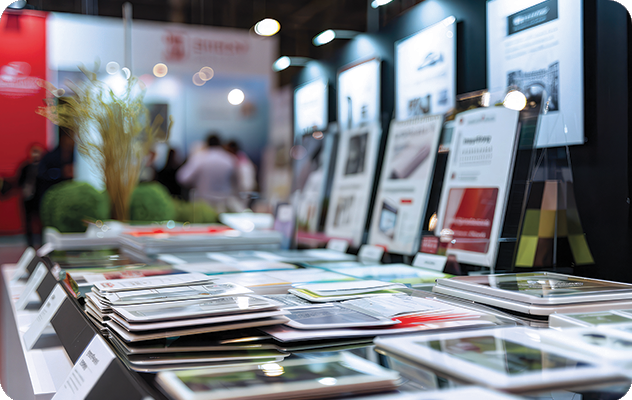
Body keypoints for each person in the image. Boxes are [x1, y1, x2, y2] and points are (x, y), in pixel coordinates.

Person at [176, 134, 239, 213]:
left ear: (207, 143)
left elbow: (183, 178)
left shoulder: (200, 157)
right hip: (224, 206)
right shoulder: (230, 159)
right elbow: (237, 183)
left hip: (202, 205)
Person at [18, 145, 44, 246]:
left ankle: (42, 242)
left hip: (39, 198)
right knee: (27, 221)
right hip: (27, 198)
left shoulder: (43, 166)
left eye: (37, 152)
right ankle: (30, 243)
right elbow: (19, 181)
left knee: (40, 221)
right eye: (34, 152)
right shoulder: (26, 167)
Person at [38, 129, 75, 197]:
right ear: (61, 140)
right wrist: (61, 172)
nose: (69, 142)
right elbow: (42, 174)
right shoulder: (50, 157)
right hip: (52, 193)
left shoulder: (76, 158)